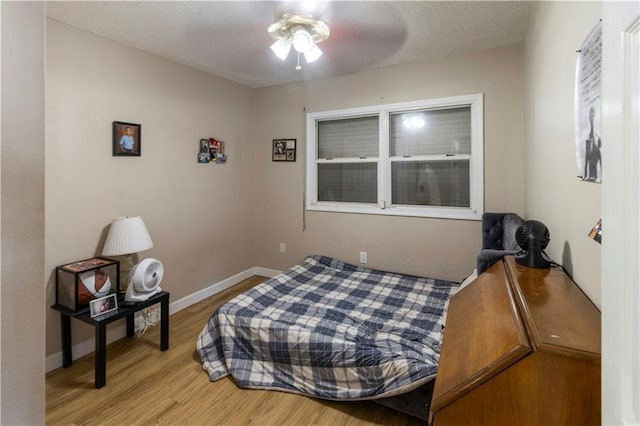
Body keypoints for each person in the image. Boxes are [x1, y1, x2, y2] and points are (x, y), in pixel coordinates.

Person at [583, 106, 601, 182]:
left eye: (593, 115)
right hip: (590, 153)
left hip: (595, 152)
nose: (591, 117)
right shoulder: (586, 132)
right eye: (590, 115)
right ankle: (587, 175)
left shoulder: (598, 133)